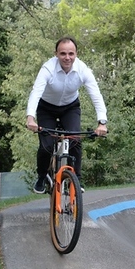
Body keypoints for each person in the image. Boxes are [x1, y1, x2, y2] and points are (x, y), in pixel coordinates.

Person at [26, 36, 108, 194]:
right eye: (63, 53)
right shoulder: (48, 69)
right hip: (47, 108)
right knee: (47, 146)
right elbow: (36, 92)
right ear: (56, 54)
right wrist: (30, 117)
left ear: (76, 54)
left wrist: (102, 122)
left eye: (71, 53)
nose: (67, 58)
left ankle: (75, 179)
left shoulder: (83, 70)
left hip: (70, 107)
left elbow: (96, 95)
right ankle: (42, 177)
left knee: (75, 141)